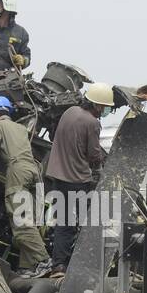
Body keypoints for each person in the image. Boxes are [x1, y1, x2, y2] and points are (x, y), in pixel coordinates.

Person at [0, 96, 51, 277]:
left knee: (20, 221)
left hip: (18, 170)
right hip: (35, 171)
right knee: (31, 220)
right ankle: (27, 267)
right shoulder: (21, 128)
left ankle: (43, 261)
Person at [43, 82, 108, 276]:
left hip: (56, 175)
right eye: (103, 108)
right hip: (77, 179)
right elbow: (94, 155)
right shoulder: (92, 123)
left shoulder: (69, 111)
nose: (103, 111)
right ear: (97, 105)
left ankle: (59, 265)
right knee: (87, 222)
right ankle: (85, 265)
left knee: (63, 221)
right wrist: (103, 161)